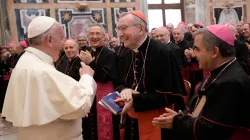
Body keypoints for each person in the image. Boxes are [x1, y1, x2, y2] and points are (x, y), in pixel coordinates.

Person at [2, 16, 97, 140]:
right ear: (50, 40)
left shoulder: (26, 61)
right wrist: (87, 77)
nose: (64, 44)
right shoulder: (43, 71)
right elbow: (81, 106)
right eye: (62, 38)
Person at [152, 24, 250, 140]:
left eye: (197, 49)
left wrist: (177, 121)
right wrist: (181, 115)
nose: (193, 54)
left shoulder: (231, 82)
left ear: (214, 51)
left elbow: (212, 130)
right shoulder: (219, 72)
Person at [114, 11, 186, 140]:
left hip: (159, 120)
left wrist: (135, 100)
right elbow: (119, 82)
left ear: (141, 29)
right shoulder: (127, 53)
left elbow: (171, 94)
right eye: (118, 29)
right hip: (134, 118)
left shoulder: (162, 52)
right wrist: (125, 91)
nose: (120, 34)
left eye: (124, 28)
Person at [79, 23, 119, 140]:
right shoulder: (87, 52)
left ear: (104, 37)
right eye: (91, 34)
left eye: (98, 33)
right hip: (90, 95)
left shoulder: (109, 54)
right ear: (88, 36)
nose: (94, 36)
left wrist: (90, 63)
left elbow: (106, 76)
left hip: (105, 99)